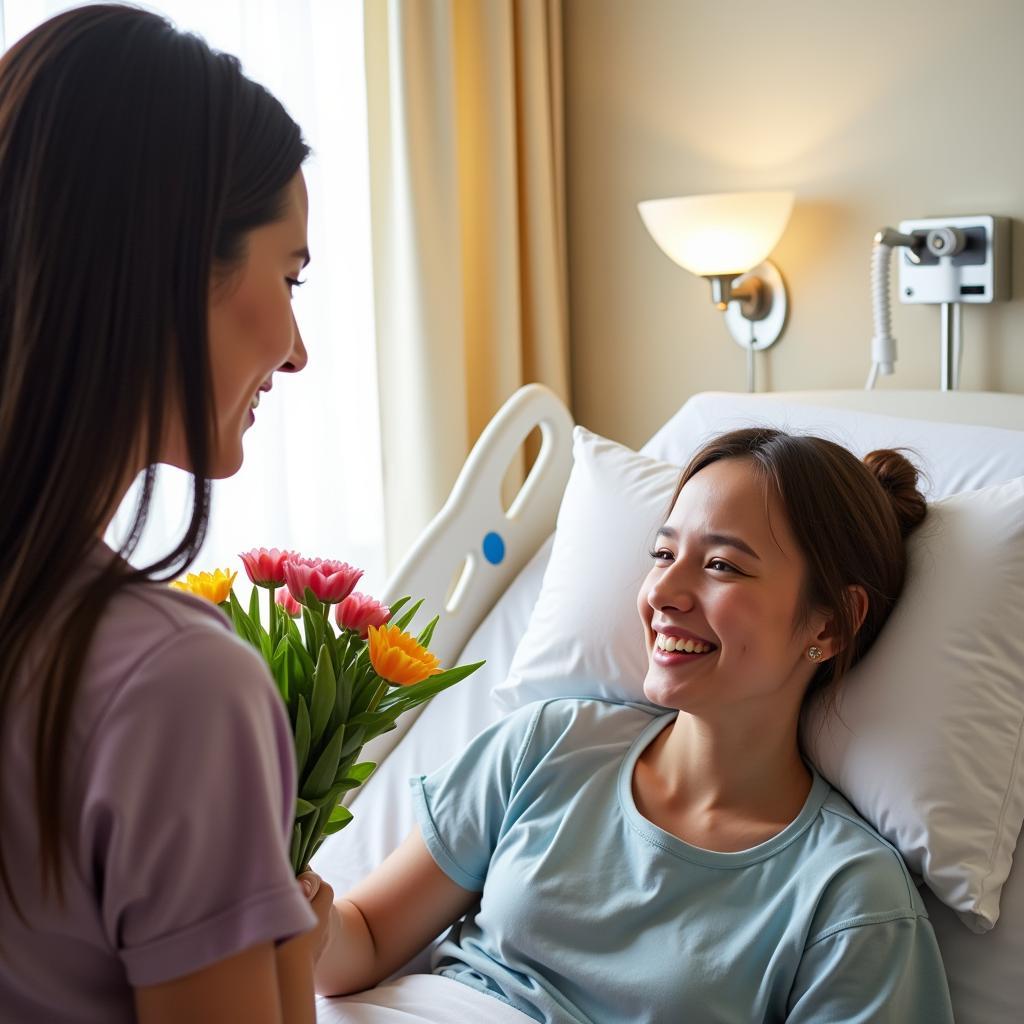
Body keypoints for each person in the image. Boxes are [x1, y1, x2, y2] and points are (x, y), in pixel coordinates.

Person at [306, 428, 956, 1023]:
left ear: (830, 624)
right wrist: (297, 906)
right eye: (663, 552)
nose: (663, 593)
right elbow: (359, 940)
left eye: (722, 565)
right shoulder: (547, 745)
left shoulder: (847, 899)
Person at [0, 5, 333, 1022]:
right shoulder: (174, 685)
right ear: (173, 271)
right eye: (287, 275)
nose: (296, 349)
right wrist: (288, 961)